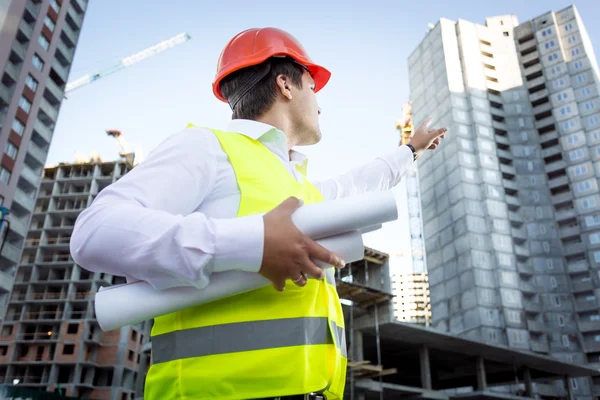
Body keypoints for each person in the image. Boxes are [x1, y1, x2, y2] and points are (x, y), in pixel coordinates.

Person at [70, 27, 447, 400]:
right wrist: (253, 243)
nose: (319, 104)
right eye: (312, 88)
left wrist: (409, 151)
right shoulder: (207, 148)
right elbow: (95, 231)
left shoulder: (300, 187)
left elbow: (357, 184)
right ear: (285, 85)